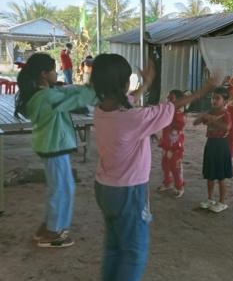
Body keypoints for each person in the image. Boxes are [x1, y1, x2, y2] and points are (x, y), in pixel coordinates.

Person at [91, 54, 216, 281]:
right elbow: (169, 106)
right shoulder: (133, 118)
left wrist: (146, 84)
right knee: (133, 252)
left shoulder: (100, 110)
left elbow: (128, 100)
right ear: (122, 83)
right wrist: (203, 90)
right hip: (128, 191)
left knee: (114, 246)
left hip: (104, 188)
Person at [14, 53, 96, 248]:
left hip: (51, 146)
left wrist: (75, 88)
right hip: (54, 147)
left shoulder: (41, 94)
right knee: (62, 189)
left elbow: (68, 93)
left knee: (59, 188)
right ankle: (53, 232)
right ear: (43, 74)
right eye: (53, 69)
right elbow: (80, 99)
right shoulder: (48, 97)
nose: (56, 72)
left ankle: (49, 226)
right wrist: (96, 85)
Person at [194, 86, 233, 213]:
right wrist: (203, 116)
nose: (214, 101)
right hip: (210, 144)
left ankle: (222, 201)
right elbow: (195, 122)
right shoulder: (211, 112)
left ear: (225, 101)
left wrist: (212, 120)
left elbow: (226, 127)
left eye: (217, 98)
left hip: (221, 145)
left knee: (221, 176)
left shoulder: (226, 114)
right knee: (210, 174)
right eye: (213, 98)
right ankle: (210, 198)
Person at [157, 90, 186, 198]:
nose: (168, 100)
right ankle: (167, 182)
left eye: (171, 98)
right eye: (168, 98)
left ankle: (179, 186)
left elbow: (180, 125)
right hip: (166, 145)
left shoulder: (179, 114)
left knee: (176, 167)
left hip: (175, 147)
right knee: (165, 164)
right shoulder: (167, 113)